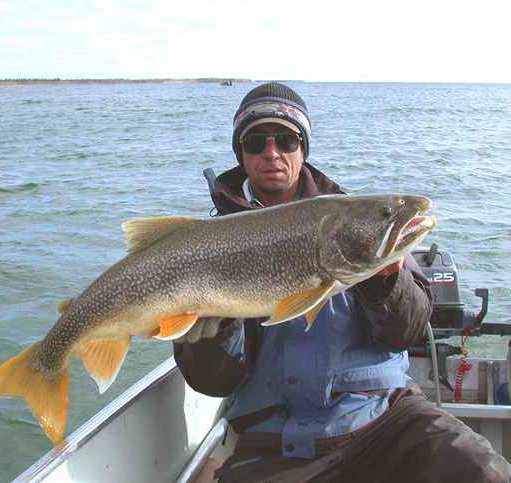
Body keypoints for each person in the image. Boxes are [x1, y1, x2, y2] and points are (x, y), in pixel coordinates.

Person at [173, 82, 511, 483]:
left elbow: (407, 331)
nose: (272, 152)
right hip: (276, 440)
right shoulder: (207, 247)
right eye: (256, 141)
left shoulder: (357, 216)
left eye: (286, 138)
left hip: (389, 419)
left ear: (303, 149)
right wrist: (211, 333)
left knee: (483, 472)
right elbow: (212, 382)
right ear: (241, 153)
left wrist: (386, 284)